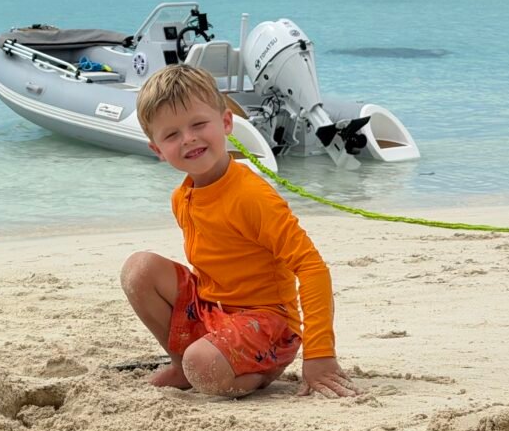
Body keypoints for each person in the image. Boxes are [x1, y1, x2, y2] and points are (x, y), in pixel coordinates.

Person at [120, 65, 359, 399]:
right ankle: (183, 363)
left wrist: (320, 355)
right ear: (157, 150)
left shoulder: (252, 196)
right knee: (139, 269)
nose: (188, 138)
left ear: (226, 123)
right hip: (214, 311)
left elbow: (312, 267)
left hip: (268, 324)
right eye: (171, 135)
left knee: (203, 365)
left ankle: (251, 371)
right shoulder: (182, 197)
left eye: (198, 124)